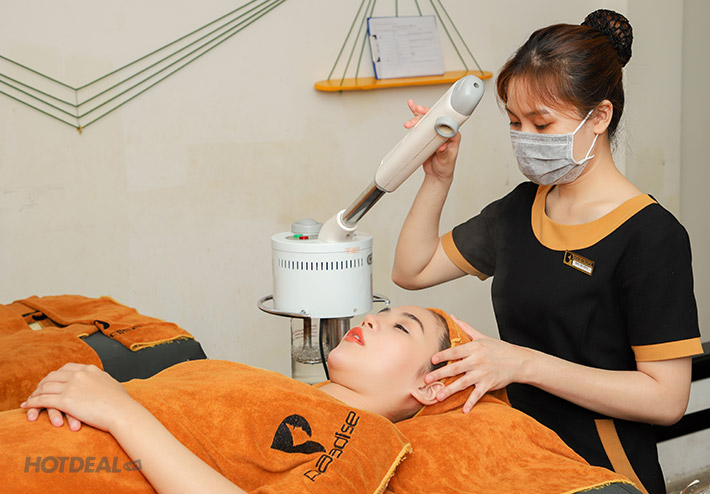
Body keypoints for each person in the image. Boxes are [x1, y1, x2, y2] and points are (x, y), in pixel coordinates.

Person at [391, 9, 702, 494]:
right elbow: (412, 270)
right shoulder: (520, 209)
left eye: (542, 123)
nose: (526, 140)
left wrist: (524, 364)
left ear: (600, 117)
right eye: (516, 123)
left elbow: (666, 400)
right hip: (524, 464)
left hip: (606, 477)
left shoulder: (651, 236)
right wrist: (437, 178)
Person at [18, 306, 450, 494]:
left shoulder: (363, 436)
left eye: (402, 327)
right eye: (382, 313)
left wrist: (119, 410)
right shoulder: (281, 388)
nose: (371, 319)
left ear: (430, 387)